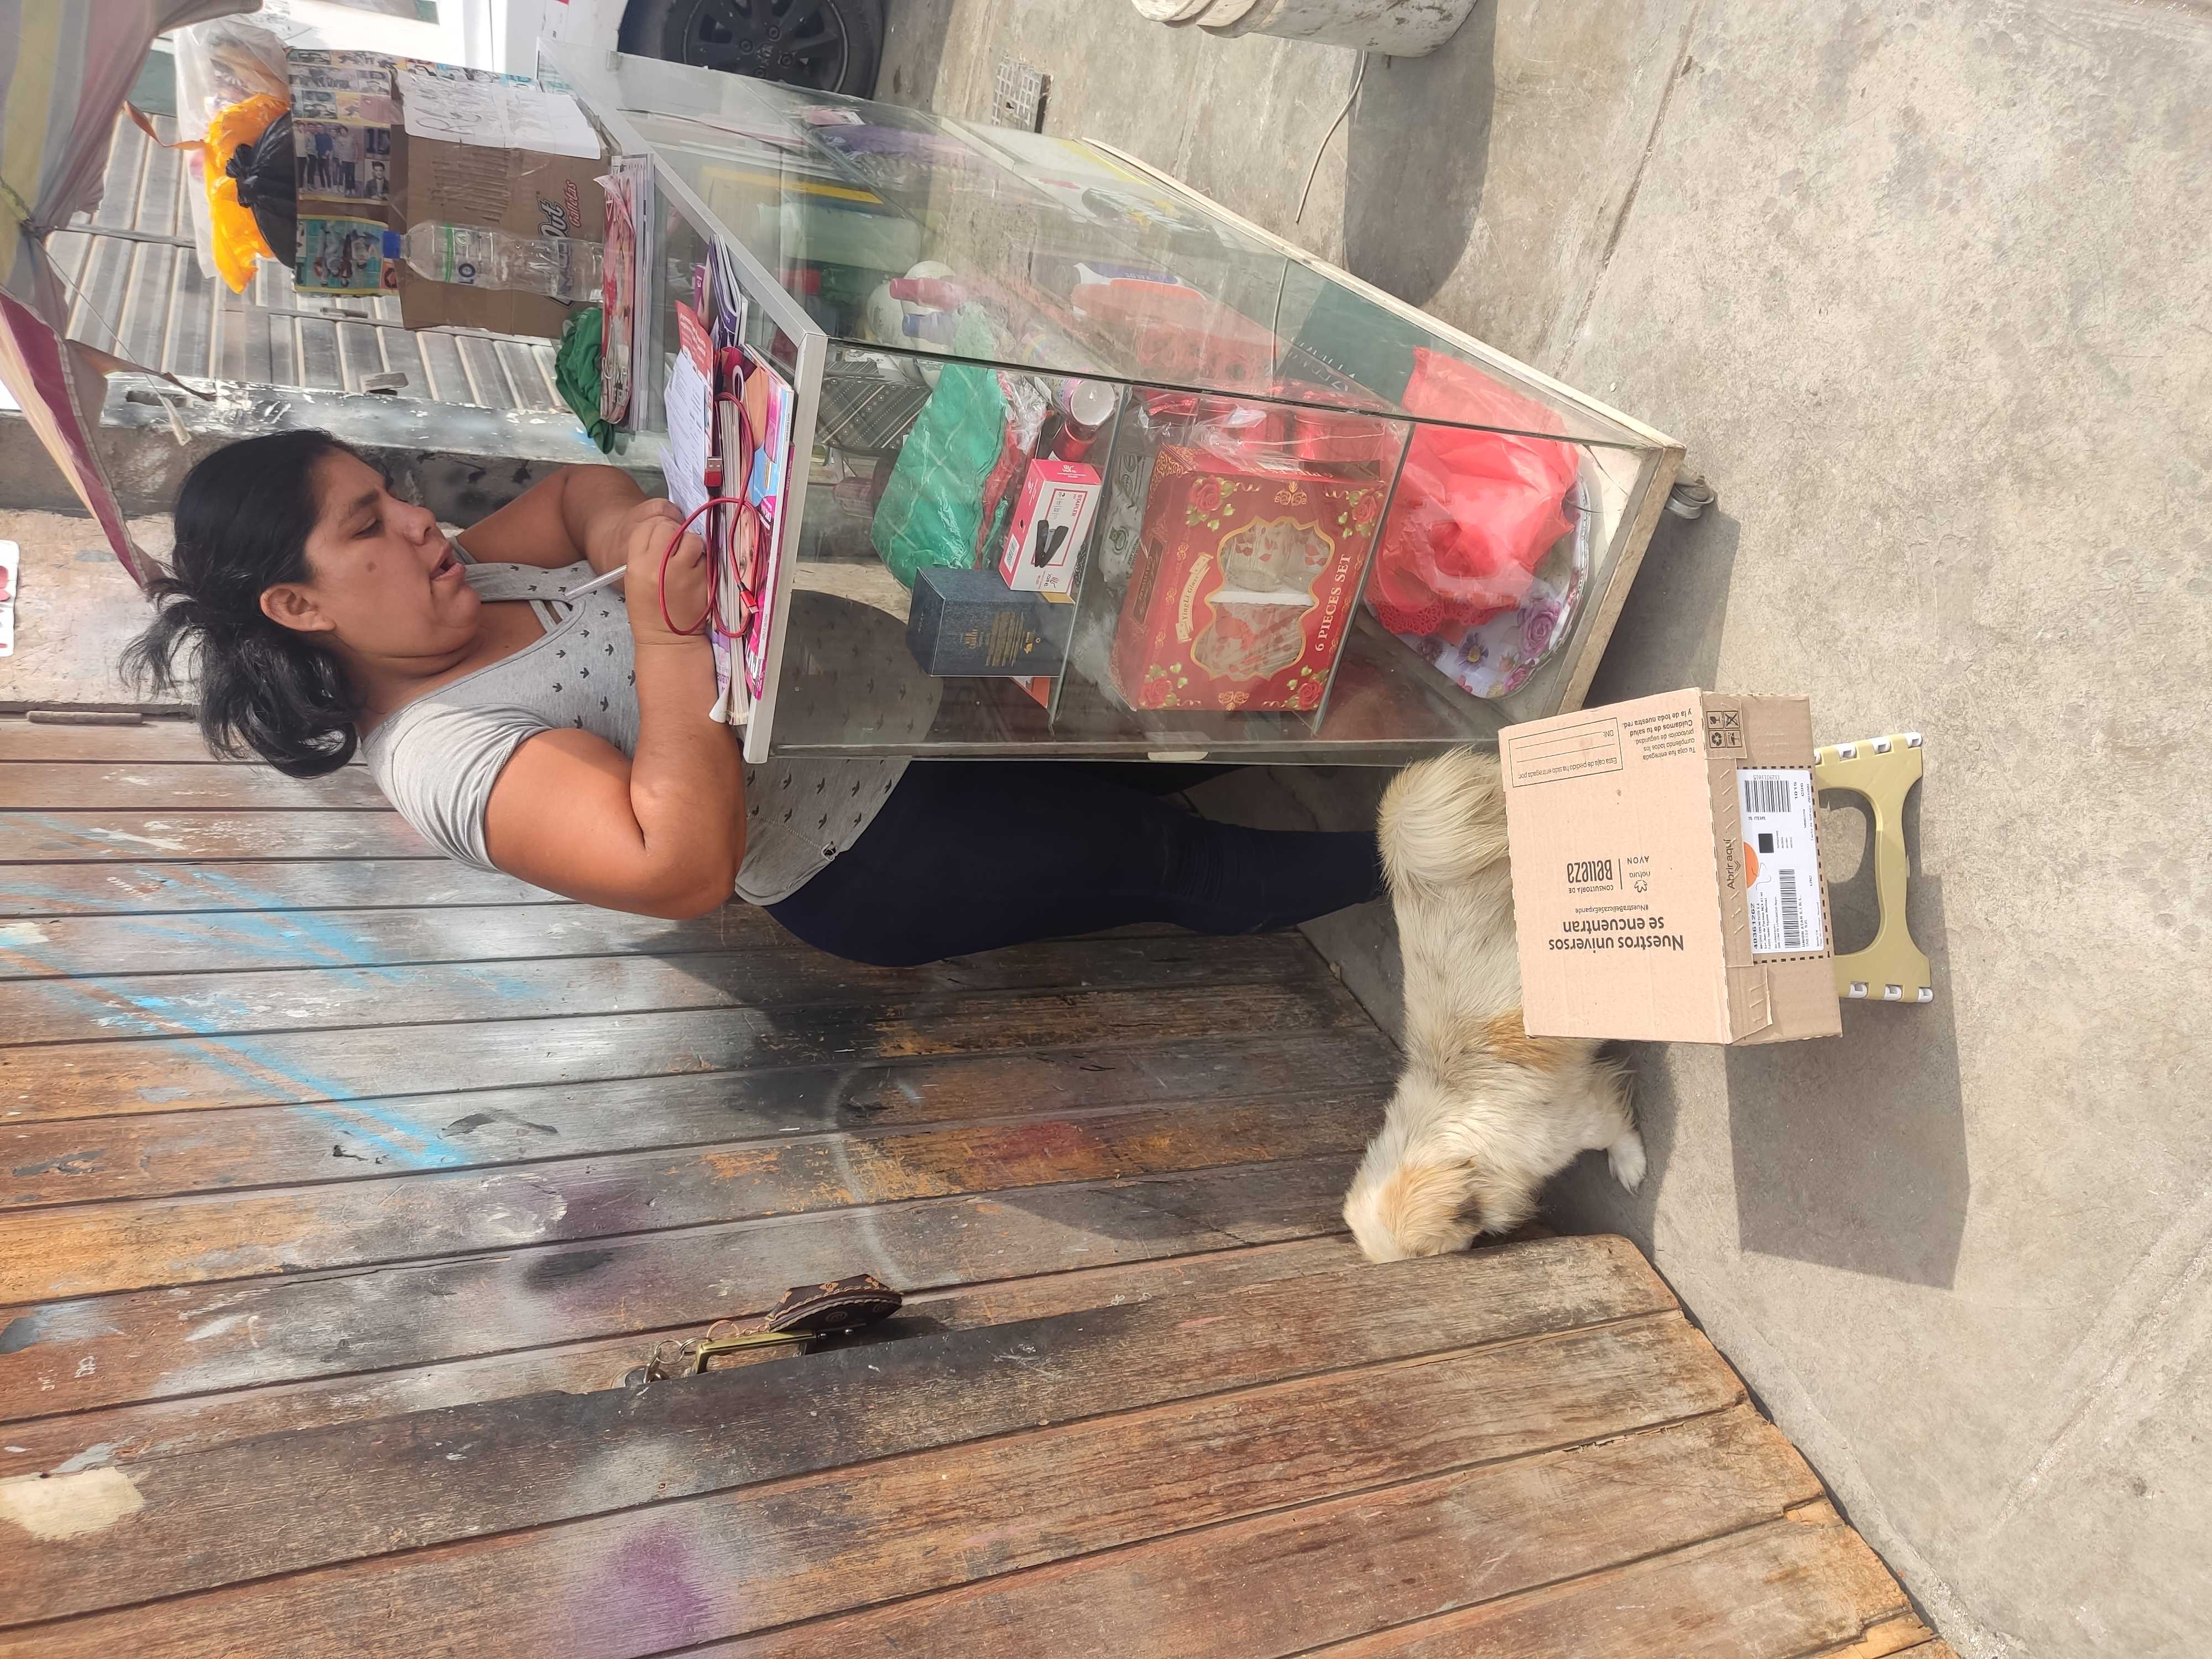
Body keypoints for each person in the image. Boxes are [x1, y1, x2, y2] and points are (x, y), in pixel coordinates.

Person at [124, 431, 1383, 967]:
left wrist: (629, 529)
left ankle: (1416, 757)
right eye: (368, 527)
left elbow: (576, 495)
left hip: (910, 699)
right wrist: (668, 633)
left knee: (1159, 741)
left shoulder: (462, 582)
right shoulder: (442, 756)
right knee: (1169, 858)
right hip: (881, 848)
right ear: (299, 605)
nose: (417, 521)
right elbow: (676, 870)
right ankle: (1435, 856)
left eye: (393, 493)